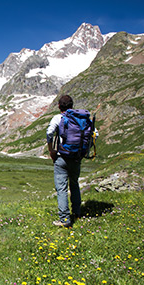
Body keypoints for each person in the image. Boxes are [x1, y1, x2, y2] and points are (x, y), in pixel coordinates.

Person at [46, 95, 81, 228]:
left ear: (59, 106)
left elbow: (49, 133)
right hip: (76, 157)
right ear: (72, 105)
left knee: (61, 189)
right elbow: (94, 133)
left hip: (61, 157)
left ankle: (65, 219)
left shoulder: (58, 118)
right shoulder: (80, 118)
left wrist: (51, 150)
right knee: (74, 184)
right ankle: (77, 213)